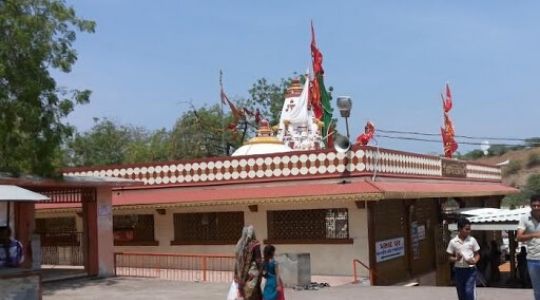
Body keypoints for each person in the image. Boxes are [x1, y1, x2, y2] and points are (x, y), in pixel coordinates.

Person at [447, 218, 480, 300]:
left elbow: (477, 254)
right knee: (461, 293)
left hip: (470, 270)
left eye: (469, 229)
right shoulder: (453, 242)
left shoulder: (472, 240)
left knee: (469, 291)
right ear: (460, 229)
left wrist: (474, 261)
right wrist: (456, 259)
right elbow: (449, 257)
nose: (469, 231)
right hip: (459, 270)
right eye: (466, 229)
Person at [517, 194, 540, 300]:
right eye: (534, 205)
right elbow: (519, 237)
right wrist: (533, 234)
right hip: (533, 259)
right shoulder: (525, 218)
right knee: (537, 291)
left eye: (538, 205)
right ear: (530, 205)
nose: (536, 208)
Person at [233, 225, 263, 300]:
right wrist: (263, 270)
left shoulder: (239, 244)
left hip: (241, 275)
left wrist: (236, 274)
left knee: (244, 294)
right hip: (252, 274)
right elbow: (258, 260)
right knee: (253, 294)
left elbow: (237, 260)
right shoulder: (255, 244)